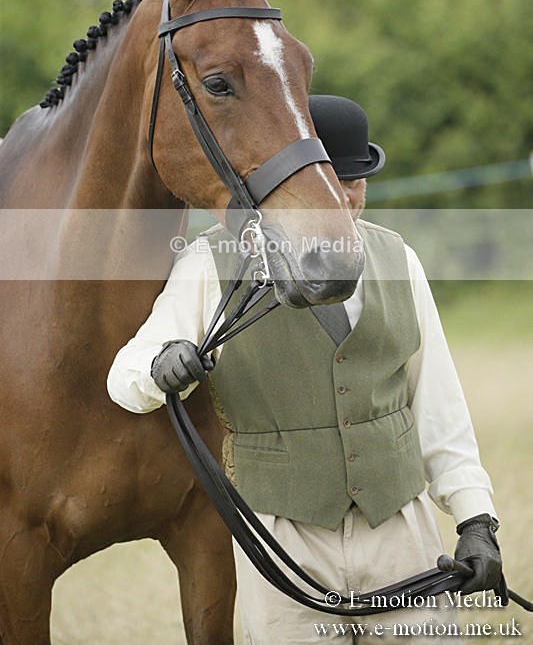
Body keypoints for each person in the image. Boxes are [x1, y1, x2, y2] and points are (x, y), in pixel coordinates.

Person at [108, 95, 502, 644]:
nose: (339, 199)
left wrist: (475, 519)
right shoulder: (211, 264)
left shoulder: (399, 261)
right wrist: (164, 366)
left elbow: (438, 406)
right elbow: (126, 377)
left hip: (400, 528)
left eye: (353, 181)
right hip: (280, 535)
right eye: (322, 182)